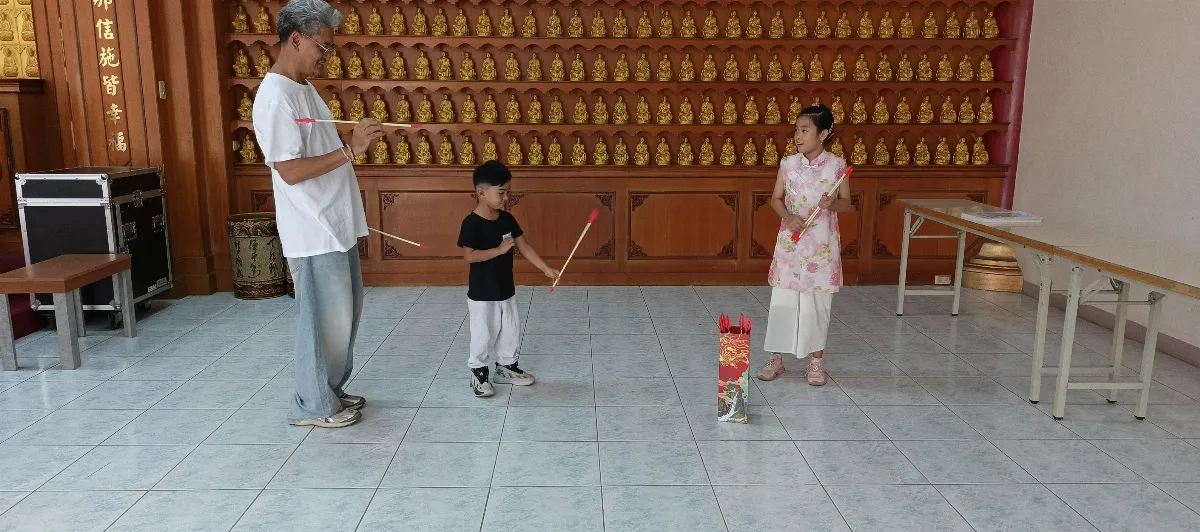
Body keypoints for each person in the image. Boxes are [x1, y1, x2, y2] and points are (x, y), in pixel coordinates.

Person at [252, 0, 385, 427]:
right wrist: (351, 150)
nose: (328, 56)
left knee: (344, 318)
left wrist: (351, 139)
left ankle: (330, 390)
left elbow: (317, 147)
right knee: (322, 320)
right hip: (312, 228)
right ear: (296, 39)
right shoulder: (276, 98)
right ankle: (312, 405)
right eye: (323, 47)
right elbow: (289, 170)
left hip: (334, 222)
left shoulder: (303, 88)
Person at [757, 104, 852, 386]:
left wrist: (832, 203)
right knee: (783, 300)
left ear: (822, 134)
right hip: (791, 242)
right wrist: (788, 218)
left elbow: (846, 203)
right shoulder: (788, 164)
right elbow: (775, 199)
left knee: (817, 302)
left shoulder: (837, 166)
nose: (798, 136)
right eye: (796, 130)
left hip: (821, 245)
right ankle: (776, 358)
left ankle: (816, 361)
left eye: (804, 130)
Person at [458, 161, 559, 397]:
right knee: (483, 333)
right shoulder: (471, 223)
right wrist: (499, 250)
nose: (506, 198)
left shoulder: (507, 219)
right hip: (482, 294)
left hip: (505, 288)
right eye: (501, 193)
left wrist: (545, 268)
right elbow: (470, 255)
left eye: (508, 192)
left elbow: (524, 246)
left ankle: (506, 367)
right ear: (481, 192)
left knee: (510, 330)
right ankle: (478, 373)